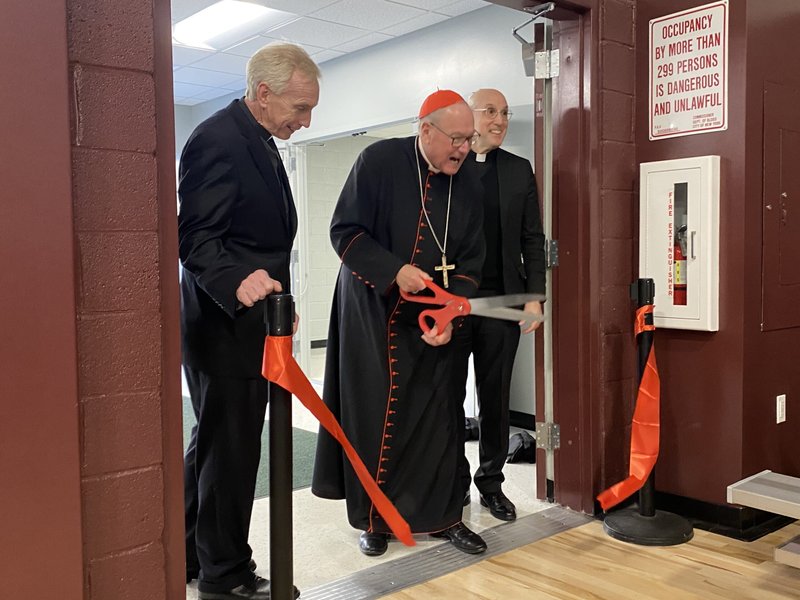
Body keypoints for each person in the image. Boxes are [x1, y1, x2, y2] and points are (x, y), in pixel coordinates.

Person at [311, 90, 489, 557]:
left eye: (469, 141)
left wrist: (450, 312)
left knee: (441, 420)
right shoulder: (378, 161)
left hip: (437, 321)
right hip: (373, 313)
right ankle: (376, 522)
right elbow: (345, 232)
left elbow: (472, 261)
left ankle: (447, 517)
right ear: (425, 129)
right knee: (377, 418)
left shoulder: (470, 179)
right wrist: (393, 271)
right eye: (456, 139)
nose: (464, 150)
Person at [179, 43, 319, 600]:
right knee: (232, 453)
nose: (306, 120)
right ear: (264, 93)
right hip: (223, 325)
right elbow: (196, 238)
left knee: (214, 444)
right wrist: (239, 281)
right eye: (300, 107)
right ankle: (226, 576)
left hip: (248, 321)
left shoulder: (256, 138)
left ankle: (191, 552)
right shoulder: (218, 138)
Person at [454, 88, 546, 522]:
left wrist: (534, 297)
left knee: (496, 398)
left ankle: (490, 482)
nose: (500, 120)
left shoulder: (517, 170)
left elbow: (532, 238)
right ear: (468, 116)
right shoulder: (448, 166)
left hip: (502, 301)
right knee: (447, 397)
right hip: (453, 302)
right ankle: (452, 485)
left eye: (505, 113)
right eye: (490, 111)